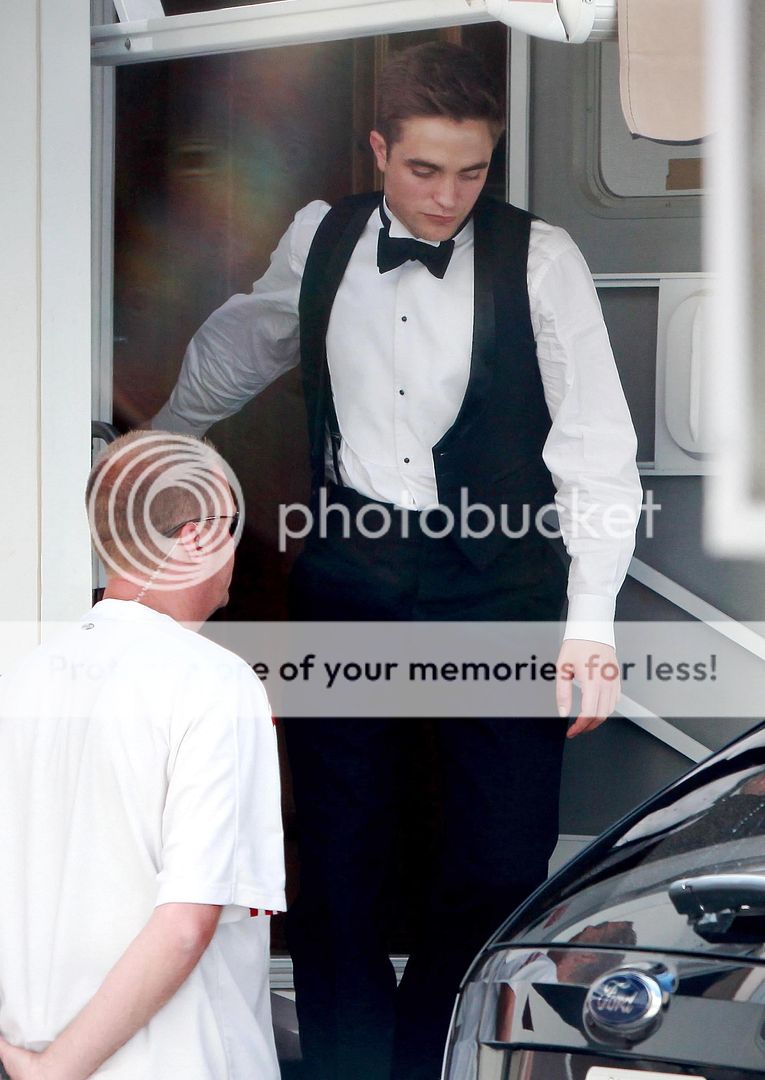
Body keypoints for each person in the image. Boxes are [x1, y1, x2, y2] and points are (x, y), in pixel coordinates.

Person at [151, 41, 642, 1080]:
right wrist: (161, 439)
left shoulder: (542, 258)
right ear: (378, 149)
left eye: (472, 172)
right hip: (353, 576)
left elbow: (595, 446)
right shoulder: (320, 238)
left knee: (500, 857)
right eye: (423, 169)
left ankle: (430, 1056)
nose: (447, 197)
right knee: (336, 856)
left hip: (500, 587)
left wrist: (591, 624)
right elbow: (246, 343)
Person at [0, 430, 285, 1080]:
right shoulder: (215, 682)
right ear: (195, 538)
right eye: (231, 527)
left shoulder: (21, 682)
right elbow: (186, 924)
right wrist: (56, 1071)